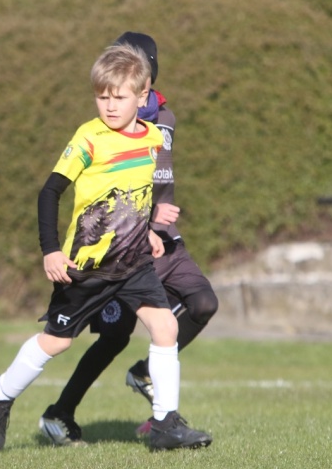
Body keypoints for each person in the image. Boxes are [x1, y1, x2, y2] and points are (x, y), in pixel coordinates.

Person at [0, 43, 211, 453]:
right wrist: (51, 250)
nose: (110, 105)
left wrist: (147, 231)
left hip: (134, 264)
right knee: (57, 341)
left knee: (165, 326)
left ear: (142, 96)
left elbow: (134, 194)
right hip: (87, 267)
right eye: (102, 97)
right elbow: (49, 192)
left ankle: (165, 425)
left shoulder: (152, 137)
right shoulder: (89, 137)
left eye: (118, 97)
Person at [37, 32, 219, 446]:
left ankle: (147, 378)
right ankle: (59, 413)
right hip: (123, 246)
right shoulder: (110, 122)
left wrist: (158, 218)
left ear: (149, 77)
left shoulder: (164, 118)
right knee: (114, 336)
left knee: (203, 302)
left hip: (163, 240)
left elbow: (157, 176)